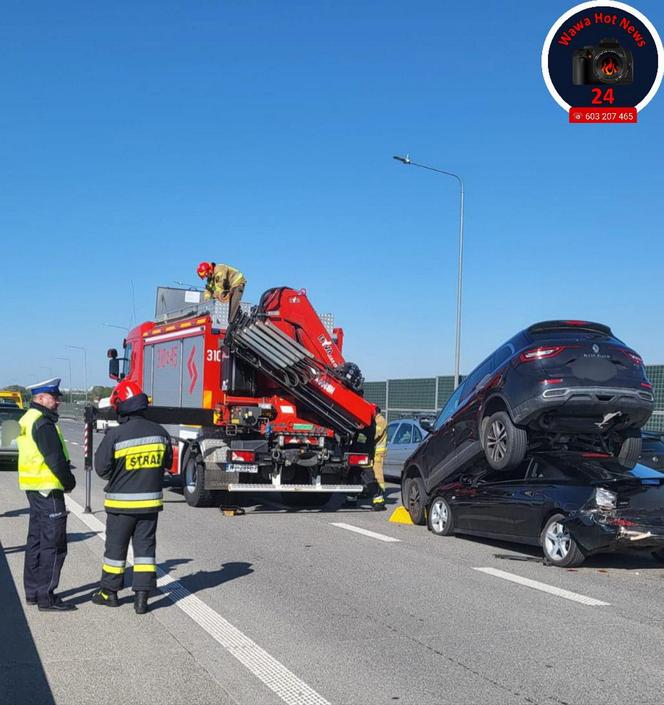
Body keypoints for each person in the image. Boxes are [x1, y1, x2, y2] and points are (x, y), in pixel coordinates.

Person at [91, 380, 172, 614]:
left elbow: (101, 469)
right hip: (150, 506)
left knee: (115, 551)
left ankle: (109, 593)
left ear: (121, 406)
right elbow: (166, 463)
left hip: (121, 506)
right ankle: (142, 599)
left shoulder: (116, 434)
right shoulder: (160, 432)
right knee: (145, 550)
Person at [17, 378, 77, 612]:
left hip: (34, 488)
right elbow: (54, 458)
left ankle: (33, 592)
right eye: (54, 397)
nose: (59, 402)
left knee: (36, 541)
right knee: (54, 544)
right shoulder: (43, 422)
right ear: (41, 398)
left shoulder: (29, 418)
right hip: (49, 489)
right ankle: (46, 597)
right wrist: (68, 482)